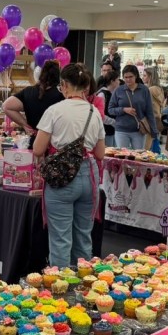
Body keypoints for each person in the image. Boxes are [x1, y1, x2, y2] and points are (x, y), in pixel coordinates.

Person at [32, 63, 106, 267]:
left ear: (64, 85)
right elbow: (100, 153)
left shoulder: (54, 110)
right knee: (83, 237)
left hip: (61, 177)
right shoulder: (94, 112)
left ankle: (61, 291)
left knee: (60, 240)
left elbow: (38, 149)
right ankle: (84, 287)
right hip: (89, 176)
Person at [3, 60, 63, 135]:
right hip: (55, 139)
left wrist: (24, 124)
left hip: (33, 138)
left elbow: (6, 106)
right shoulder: (61, 93)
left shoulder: (28, 91)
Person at [108, 65, 158, 150]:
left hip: (139, 130)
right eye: (125, 77)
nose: (128, 79)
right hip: (121, 130)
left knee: (138, 157)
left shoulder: (144, 90)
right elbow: (110, 110)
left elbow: (149, 111)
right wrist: (123, 109)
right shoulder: (119, 90)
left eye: (130, 77)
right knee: (123, 157)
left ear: (136, 76)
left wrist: (154, 131)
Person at [142, 67, 166, 151]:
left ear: (150, 77)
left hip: (149, 120)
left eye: (145, 75)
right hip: (157, 119)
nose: (142, 77)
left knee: (146, 146)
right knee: (154, 144)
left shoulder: (149, 90)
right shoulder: (160, 89)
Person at [96, 71, 119, 147]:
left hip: (113, 130)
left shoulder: (114, 94)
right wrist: (113, 122)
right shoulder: (102, 94)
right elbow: (99, 114)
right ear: (112, 81)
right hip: (105, 130)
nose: (119, 82)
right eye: (117, 80)